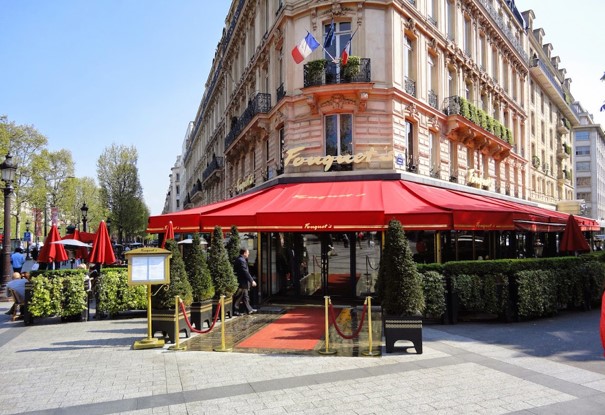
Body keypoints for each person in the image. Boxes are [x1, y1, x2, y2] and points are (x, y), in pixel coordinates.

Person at [232, 248, 257, 315]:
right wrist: (252, 281)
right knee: (239, 296)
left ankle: (249, 309)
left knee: (245, 296)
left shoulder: (241, 259)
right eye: (248, 252)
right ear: (244, 253)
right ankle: (235, 311)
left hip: (243, 282)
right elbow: (245, 272)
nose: (248, 254)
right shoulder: (241, 260)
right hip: (242, 281)